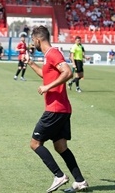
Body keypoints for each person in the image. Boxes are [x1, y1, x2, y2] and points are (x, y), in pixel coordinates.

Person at [24, 25, 89, 193]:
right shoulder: (48, 56)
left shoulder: (53, 53)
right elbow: (46, 75)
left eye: (33, 41)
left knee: (35, 143)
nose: (33, 44)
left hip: (55, 109)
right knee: (61, 147)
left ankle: (58, 175)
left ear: (38, 40)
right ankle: (80, 181)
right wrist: (30, 63)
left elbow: (67, 72)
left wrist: (47, 88)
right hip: (62, 109)